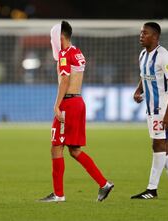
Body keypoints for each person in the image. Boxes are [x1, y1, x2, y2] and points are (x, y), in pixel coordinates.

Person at [39, 21, 114, 202]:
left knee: (56, 147)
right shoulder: (78, 52)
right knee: (74, 149)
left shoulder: (64, 55)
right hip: (79, 102)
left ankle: (58, 194)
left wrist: (57, 105)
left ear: (60, 37)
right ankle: (104, 184)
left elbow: (64, 80)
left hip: (68, 103)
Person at [131, 22, 168, 199]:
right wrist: (138, 90)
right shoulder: (143, 55)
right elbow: (145, 75)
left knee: (158, 146)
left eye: (145, 33)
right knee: (165, 148)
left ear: (155, 37)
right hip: (151, 109)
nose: (141, 36)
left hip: (163, 109)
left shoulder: (164, 57)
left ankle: (151, 189)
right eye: (141, 33)